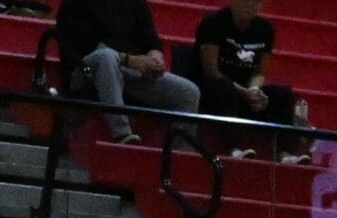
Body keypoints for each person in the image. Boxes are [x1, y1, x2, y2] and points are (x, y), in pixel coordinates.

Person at [56, 0, 196, 145]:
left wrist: (155, 56)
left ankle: (177, 155)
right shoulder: (76, 4)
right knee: (106, 57)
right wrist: (129, 60)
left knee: (188, 91)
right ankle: (122, 133)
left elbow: (151, 40)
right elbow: (86, 49)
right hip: (86, 70)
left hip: (129, 70)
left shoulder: (135, 4)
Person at [192, 0, 302, 159]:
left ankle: (285, 153)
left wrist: (254, 90)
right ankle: (233, 148)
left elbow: (259, 72)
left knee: (283, 94)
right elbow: (212, 72)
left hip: (243, 91)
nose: (251, 5)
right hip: (213, 90)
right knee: (223, 88)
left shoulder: (265, 29)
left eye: (256, 2)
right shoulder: (213, 22)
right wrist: (242, 92)